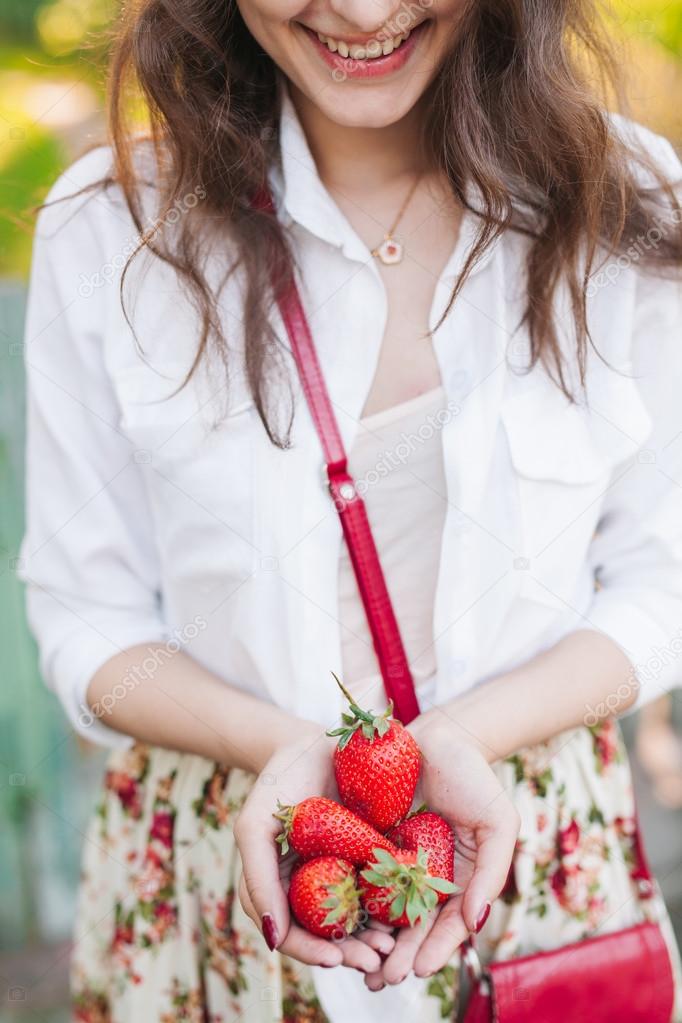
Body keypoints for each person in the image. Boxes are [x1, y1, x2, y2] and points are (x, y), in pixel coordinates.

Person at [20, 1, 682, 1020]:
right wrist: (273, 747)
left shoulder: (621, 198)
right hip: (219, 867)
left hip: (535, 863)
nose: (364, 13)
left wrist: (458, 735)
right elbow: (87, 617)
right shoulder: (112, 225)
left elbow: (661, 579)